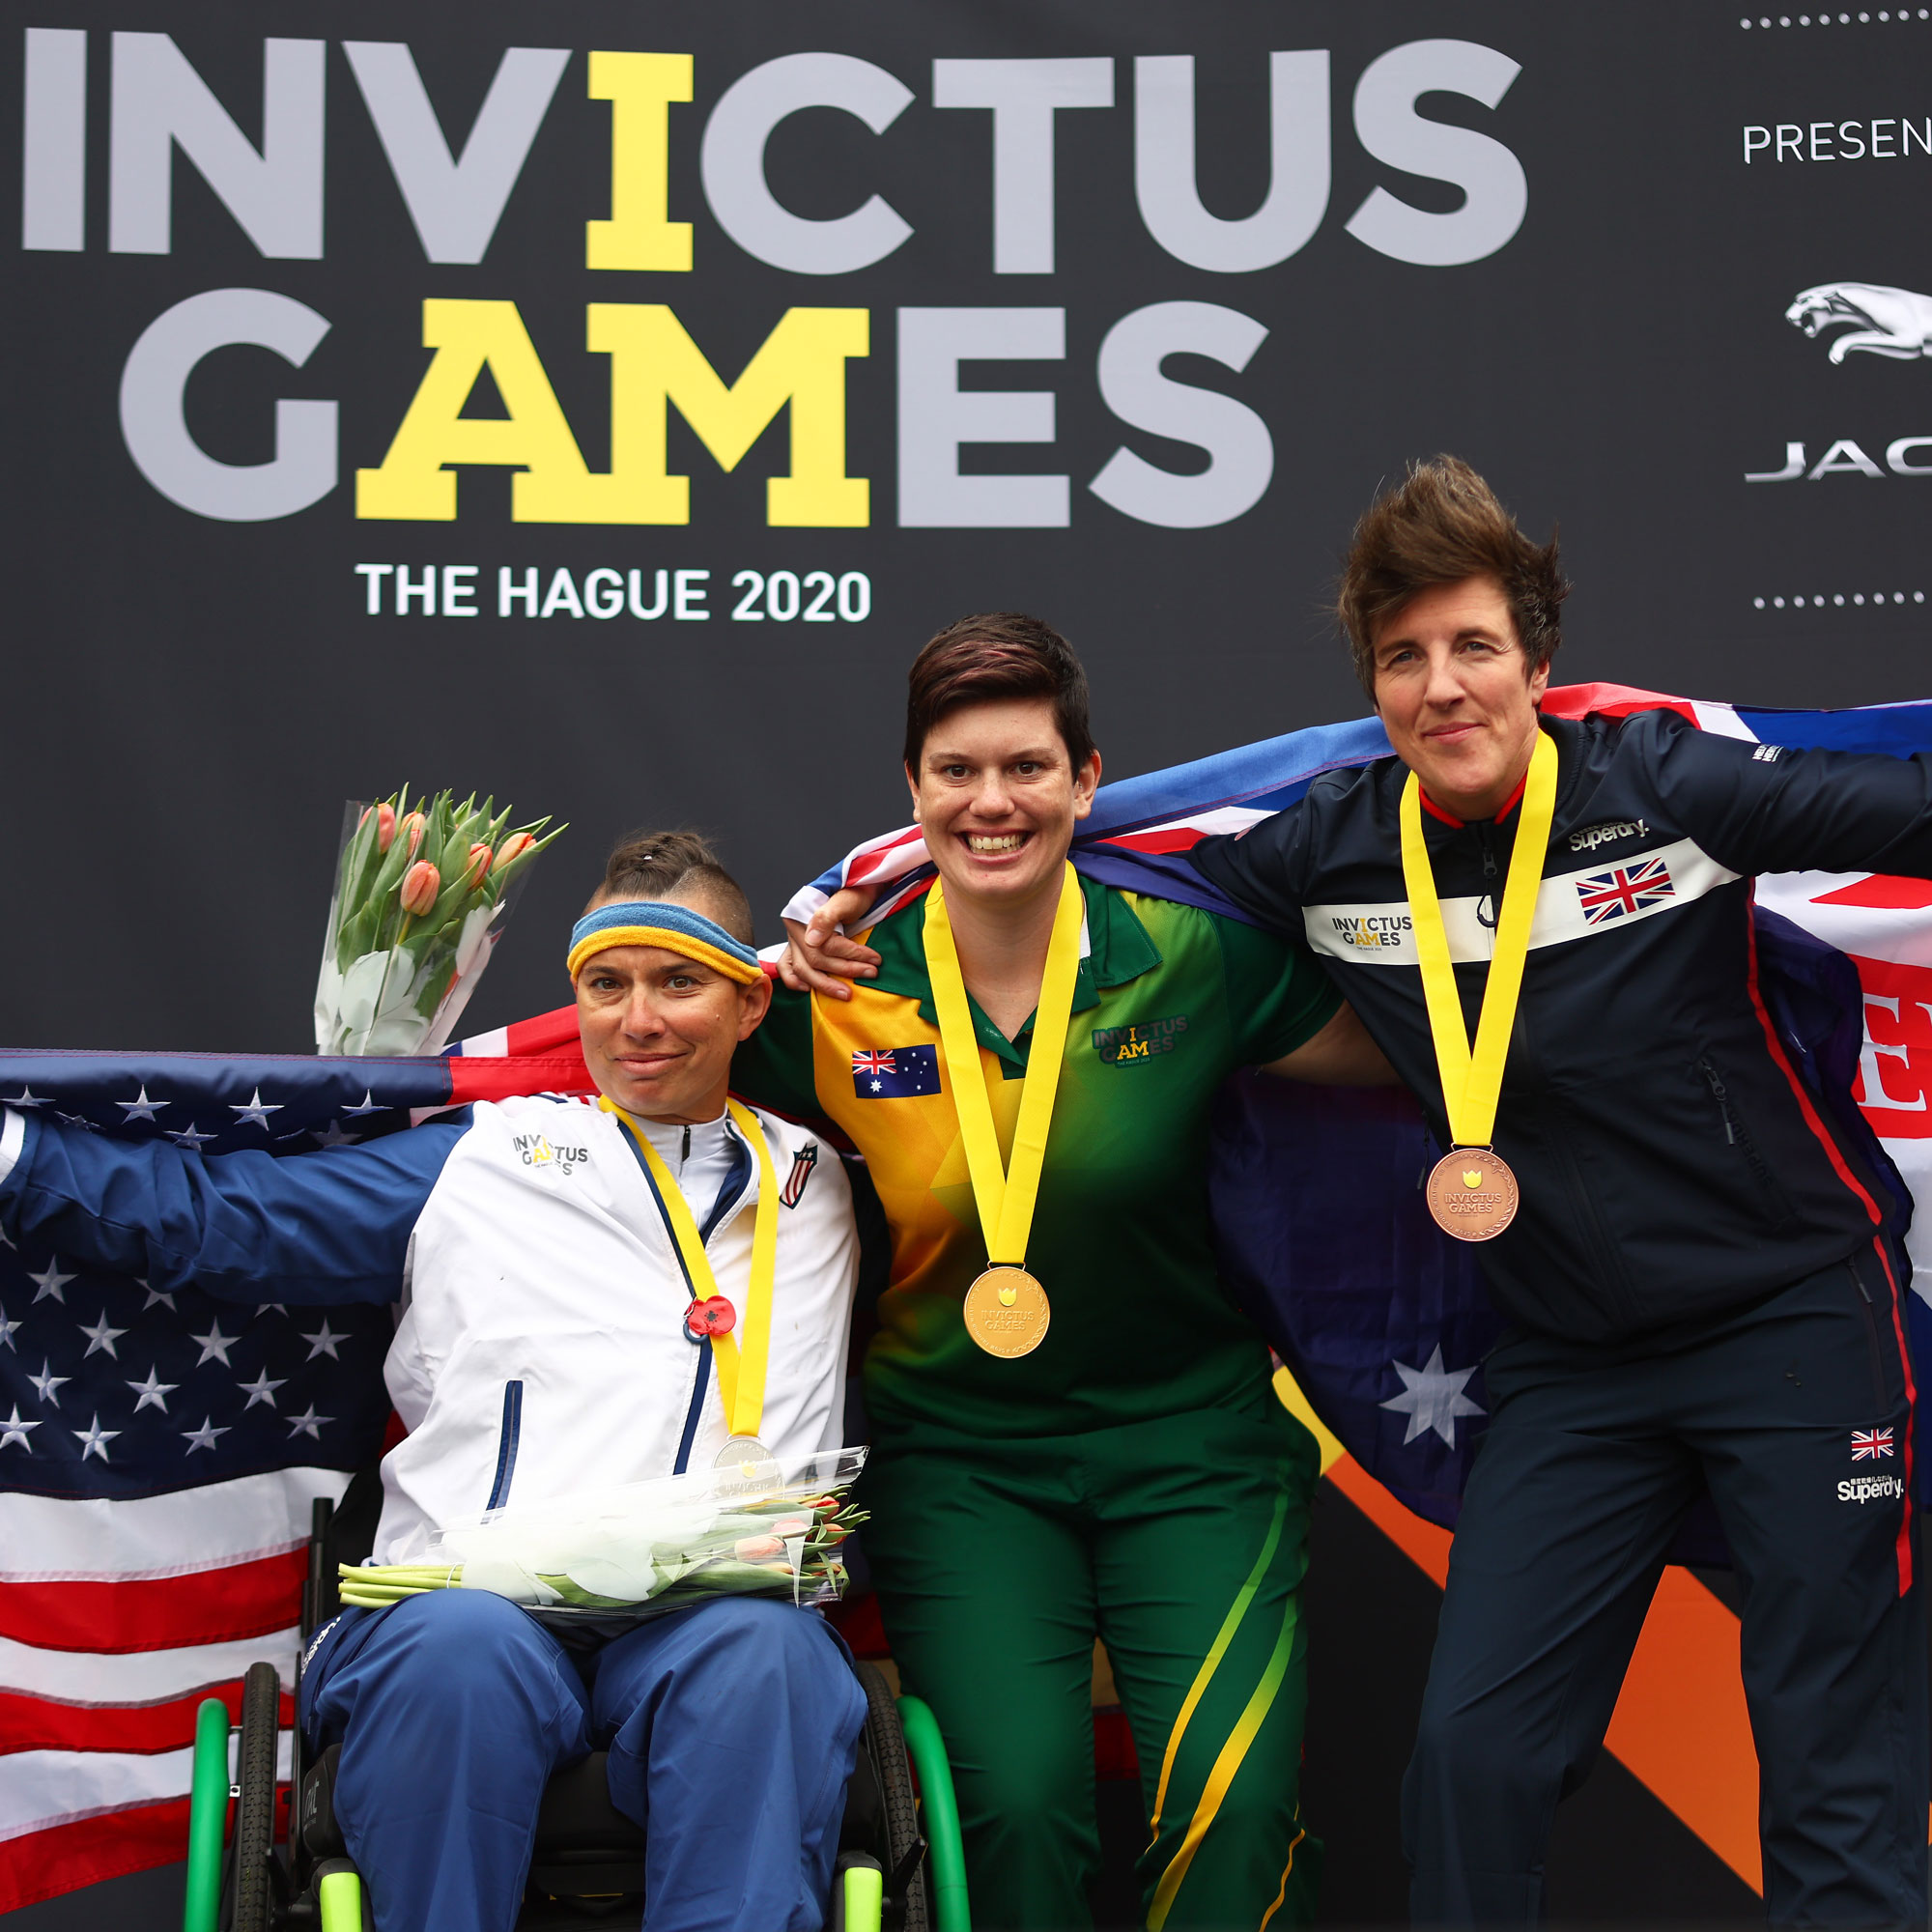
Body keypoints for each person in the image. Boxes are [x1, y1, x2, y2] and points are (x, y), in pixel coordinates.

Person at [1182, 457, 1930, 1923]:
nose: (1442, 687)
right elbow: (1112, 886)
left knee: (1830, 1753)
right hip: (1575, 1369)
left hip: (1792, 1323)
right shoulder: (1329, 850)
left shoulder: (1663, 787)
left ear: (1540, 660)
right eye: (1403, 657)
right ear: (1373, 686)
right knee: (1472, 1758)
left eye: (1473, 647)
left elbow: (1905, 813)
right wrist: (862, 907)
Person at [0, 834, 867, 1932]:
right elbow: (223, 1220)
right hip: (470, 1607)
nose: (637, 1019)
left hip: (714, 1615)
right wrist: (14, 1154)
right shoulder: (482, 1155)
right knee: (461, 1656)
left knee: (771, 1657)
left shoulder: (826, 1178)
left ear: (752, 1003)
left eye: (678, 981)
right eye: (606, 983)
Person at [735, 614, 1395, 1932]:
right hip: (964, 1463)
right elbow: (636, 1056)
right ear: (913, 792)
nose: (993, 802)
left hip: (1192, 1444)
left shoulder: (1190, 953)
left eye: (1028, 767)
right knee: (1016, 1814)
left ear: (1087, 782)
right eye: (957, 771)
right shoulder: (836, 994)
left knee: (1237, 1804)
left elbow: (1405, 1061)